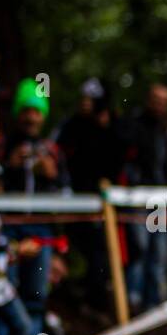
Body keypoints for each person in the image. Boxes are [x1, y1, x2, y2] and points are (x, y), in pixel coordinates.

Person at [0, 78, 68, 335]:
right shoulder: (4, 146)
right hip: (9, 228)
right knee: (5, 293)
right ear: (18, 113)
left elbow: (67, 197)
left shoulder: (51, 150)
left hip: (41, 230)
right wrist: (9, 167)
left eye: (36, 111)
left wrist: (50, 177)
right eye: (26, 110)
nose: (31, 117)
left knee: (37, 294)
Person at [55, 78, 123, 309]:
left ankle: (97, 297)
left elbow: (122, 156)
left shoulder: (112, 127)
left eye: (90, 100)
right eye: (82, 99)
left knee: (102, 250)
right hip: (74, 199)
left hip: (102, 201)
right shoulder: (71, 126)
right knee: (77, 247)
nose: (85, 103)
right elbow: (60, 153)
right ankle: (74, 293)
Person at [119, 83, 167, 312]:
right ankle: (132, 299)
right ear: (148, 100)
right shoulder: (133, 125)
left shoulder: (166, 133)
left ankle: (154, 304)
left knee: (159, 253)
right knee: (138, 249)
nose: (159, 105)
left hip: (161, 200)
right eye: (156, 99)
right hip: (138, 199)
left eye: (164, 101)